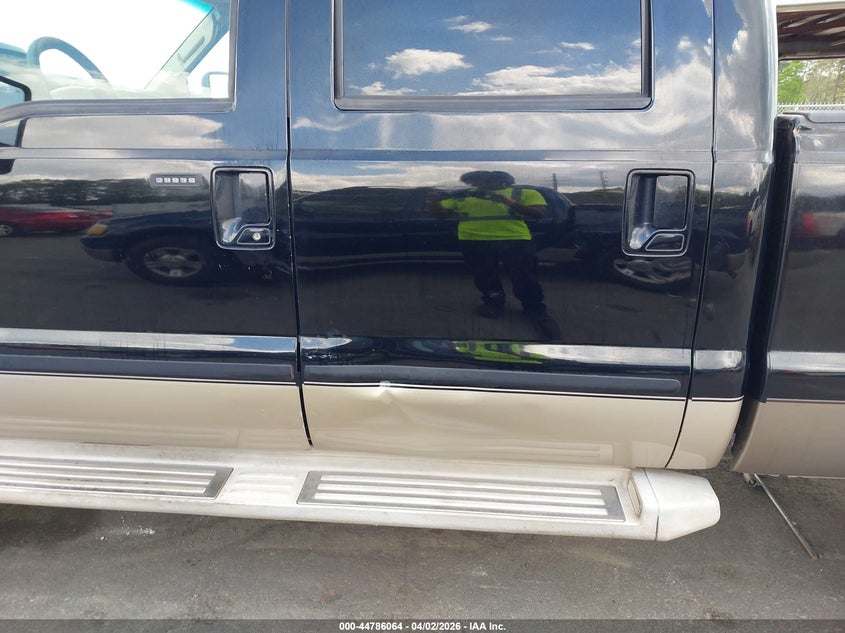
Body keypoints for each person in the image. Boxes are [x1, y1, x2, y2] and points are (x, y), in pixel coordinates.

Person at [427, 170, 560, 340]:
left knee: (525, 276)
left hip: (514, 239)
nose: (476, 184)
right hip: (473, 240)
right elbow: (441, 215)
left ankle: (535, 309)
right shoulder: (464, 195)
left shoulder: (524, 192)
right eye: (473, 181)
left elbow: (538, 213)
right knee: (484, 275)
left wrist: (506, 201)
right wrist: (433, 202)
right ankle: (493, 303)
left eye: (481, 180)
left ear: (502, 180)